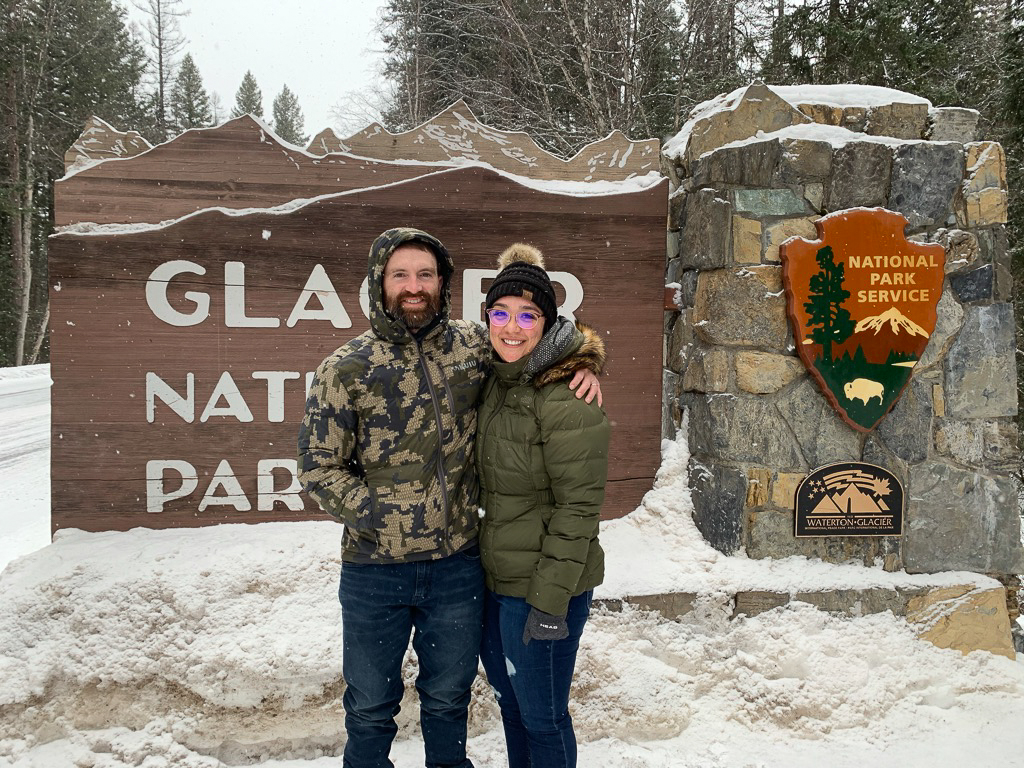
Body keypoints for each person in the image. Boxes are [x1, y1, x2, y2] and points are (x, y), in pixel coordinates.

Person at [297, 228, 600, 768]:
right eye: (401, 275)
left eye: (426, 275)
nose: (414, 287)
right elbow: (319, 468)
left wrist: (584, 367)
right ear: (378, 282)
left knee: (448, 702)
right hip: (374, 569)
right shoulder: (345, 369)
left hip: (456, 567)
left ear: (443, 283)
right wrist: (379, 516)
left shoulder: (471, 346)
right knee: (369, 708)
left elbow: (535, 346)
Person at [476, 243, 609, 768]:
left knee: (544, 717)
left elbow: (579, 510)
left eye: (528, 314)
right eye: (501, 313)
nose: (513, 326)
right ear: (487, 318)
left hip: (542, 591)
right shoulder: (495, 380)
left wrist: (549, 603)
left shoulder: (567, 398)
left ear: (547, 323)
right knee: (512, 706)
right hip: (496, 583)